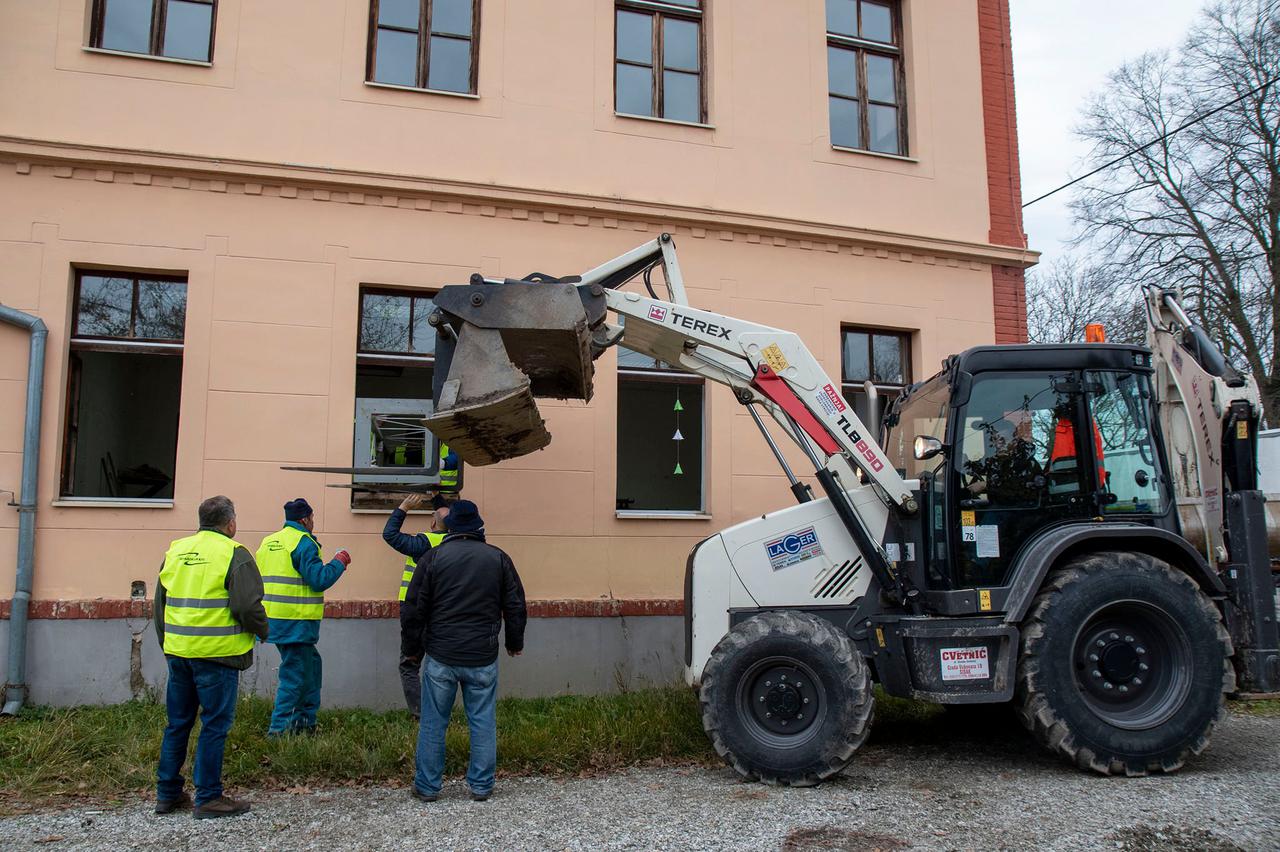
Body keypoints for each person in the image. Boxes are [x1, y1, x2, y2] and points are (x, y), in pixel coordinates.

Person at [403, 499, 527, 803]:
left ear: (451, 527)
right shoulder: (498, 558)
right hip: (482, 656)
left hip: (441, 655)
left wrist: (413, 651)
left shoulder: (432, 558)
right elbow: (515, 605)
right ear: (478, 526)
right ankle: (481, 786)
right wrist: (514, 643)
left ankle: (427, 786)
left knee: (434, 722)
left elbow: (414, 609)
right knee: (482, 721)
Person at [154, 495, 267, 819]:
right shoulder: (234, 553)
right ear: (230, 523)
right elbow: (246, 605)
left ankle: (167, 794)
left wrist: (168, 643)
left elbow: (160, 604)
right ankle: (208, 797)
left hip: (179, 652)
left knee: (178, 723)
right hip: (218, 655)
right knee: (214, 725)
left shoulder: (176, 551)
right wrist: (263, 629)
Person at [256, 498, 351, 736]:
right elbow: (319, 580)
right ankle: (279, 732)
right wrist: (339, 562)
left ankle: (306, 723)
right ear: (305, 519)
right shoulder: (304, 542)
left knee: (312, 667)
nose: (313, 522)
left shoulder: (269, 542)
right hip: (296, 622)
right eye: (312, 518)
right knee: (295, 677)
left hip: (274, 621)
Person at [382, 494, 450, 717]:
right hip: (443, 611)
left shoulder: (423, 543)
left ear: (432, 523)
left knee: (410, 664)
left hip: (415, 611)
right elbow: (444, 517)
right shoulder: (457, 544)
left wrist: (404, 507)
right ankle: (439, 712)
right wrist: (437, 497)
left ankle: (420, 714)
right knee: (440, 664)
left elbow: (390, 535)